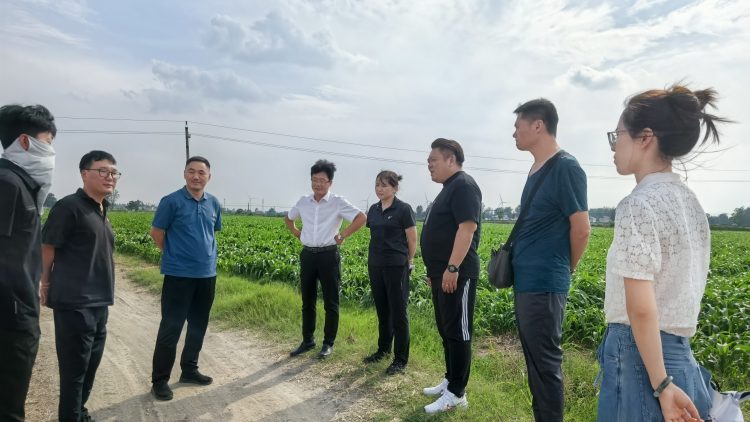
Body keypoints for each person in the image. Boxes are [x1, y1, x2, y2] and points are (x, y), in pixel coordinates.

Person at [597, 84, 727, 421]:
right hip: (681, 357)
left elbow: (641, 308)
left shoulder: (637, 205)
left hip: (641, 358)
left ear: (645, 137)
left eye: (617, 135)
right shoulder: (692, 204)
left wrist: (662, 384)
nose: (613, 146)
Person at [511, 98, 590, 422]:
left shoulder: (566, 167)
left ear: (538, 125)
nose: (513, 133)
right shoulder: (537, 168)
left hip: (545, 283)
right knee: (535, 364)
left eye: (517, 126)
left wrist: (566, 268)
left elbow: (581, 229)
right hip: (527, 281)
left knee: (545, 366)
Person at [41, 150, 119, 422]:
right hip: (74, 303)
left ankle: (79, 412)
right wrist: (45, 282)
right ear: (85, 174)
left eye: (114, 173)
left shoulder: (102, 208)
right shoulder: (69, 207)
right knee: (74, 371)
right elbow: (48, 247)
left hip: (99, 302)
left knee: (90, 367)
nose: (110, 177)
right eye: (103, 171)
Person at [0, 104, 57, 421]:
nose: (51, 153)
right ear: (24, 142)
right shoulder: (7, 184)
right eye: (47, 143)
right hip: (10, 319)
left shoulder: (20, 184)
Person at [150, 156, 222, 401]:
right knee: (171, 328)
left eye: (201, 172)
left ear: (209, 177)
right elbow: (156, 233)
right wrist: (174, 255)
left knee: (198, 325)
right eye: (191, 171)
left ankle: (189, 369)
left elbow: (212, 233)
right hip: (178, 275)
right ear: (184, 174)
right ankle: (160, 380)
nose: (196, 176)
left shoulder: (214, 203)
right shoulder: (171, 201)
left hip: (207, 275)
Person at [420, 138, 482, 414]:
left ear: (451, 159)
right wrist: (436, 272)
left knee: (458, 331)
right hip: (441, 274)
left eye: (433, 160)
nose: (429, 165)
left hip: (458, 273)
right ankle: (450, 379)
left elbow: (467, 228)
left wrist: (453, 267)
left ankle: (457, 393)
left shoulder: (464, 185)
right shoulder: (448, 188)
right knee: (446, 330)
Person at [285, 159, 367, 359]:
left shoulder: (337, 202)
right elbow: (289, 218)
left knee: (331, 302)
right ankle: (307, 340)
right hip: (308, 255)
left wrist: (343, 234)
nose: (318, 184)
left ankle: (328, 343)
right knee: (307, 300)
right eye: (315, 180)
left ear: (330, 182)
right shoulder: (303, 201)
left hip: (328, 255)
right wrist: (297, 233)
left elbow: (361, 217)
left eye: (322, 180)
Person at [363, 170, 417, 375]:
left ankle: (400, 359)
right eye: (377, 184)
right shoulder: (374, 209)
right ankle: (383, 350)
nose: (379, 189)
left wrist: (409, 260)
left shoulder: (404, 209)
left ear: (395, 188)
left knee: (398, 312)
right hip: (375, 265)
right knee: (383, 310)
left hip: (396, 266)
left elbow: (412, 238)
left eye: (384, 185)